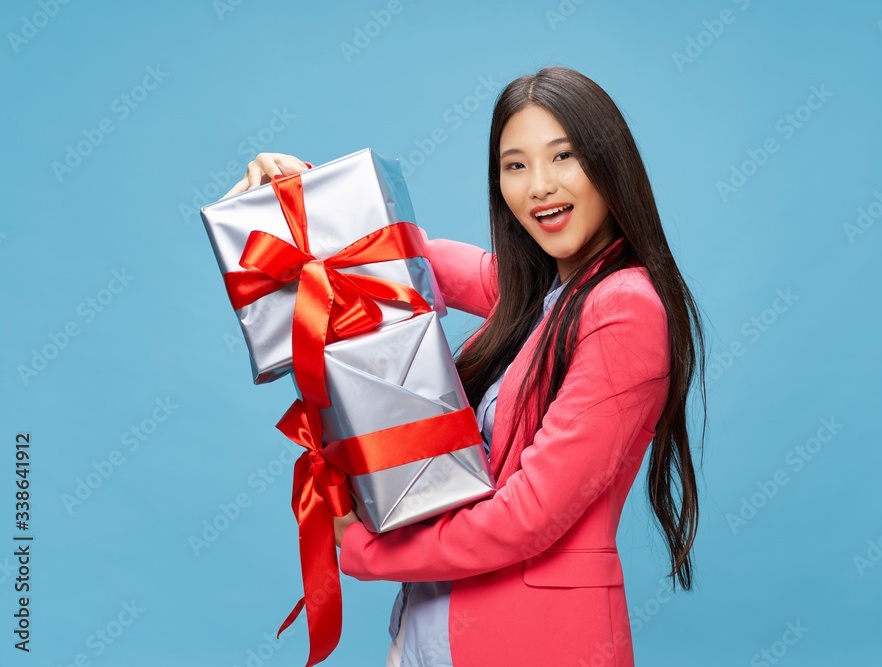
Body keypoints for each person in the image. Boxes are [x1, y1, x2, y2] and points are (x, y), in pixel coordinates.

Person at [226, 65, 706, 667]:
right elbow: (390, 256)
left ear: (610, 166)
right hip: (431, 631)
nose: (539, 187)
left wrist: (362, 548)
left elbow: (527, 516)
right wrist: (298, 199)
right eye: (515, 164)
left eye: (564, 157)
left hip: (533, 643)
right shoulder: (539, 297)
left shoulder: (623, 306)